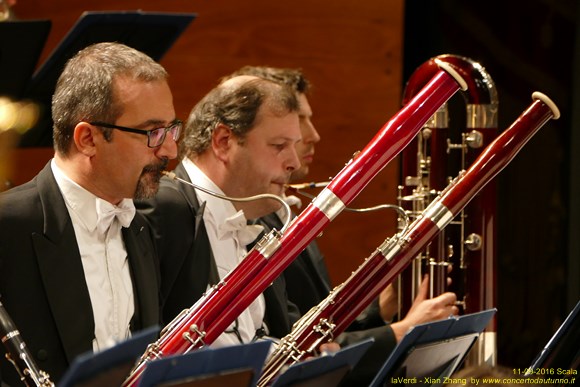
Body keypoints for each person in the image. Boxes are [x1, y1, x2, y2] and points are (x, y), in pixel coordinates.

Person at [226, 65, 459, 385]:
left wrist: (377, 308)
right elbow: (292, 345)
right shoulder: (252, 217)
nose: (312, 136)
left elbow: (320, 326)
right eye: (296, 124)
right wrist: (399, 333)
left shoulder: (281, 210)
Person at [0, 42, 179, 385]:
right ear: (87, 139)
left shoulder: (140, 226)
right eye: (153, 133)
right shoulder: (9, 226)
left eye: (172, 129)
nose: (170, 148)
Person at [137, 75, 303, 346]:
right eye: (279, 146)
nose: (293, 163)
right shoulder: (162, 209)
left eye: (294, 147)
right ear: (224, 141)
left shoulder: (260, 218)